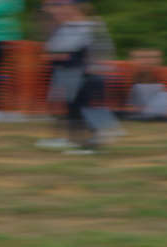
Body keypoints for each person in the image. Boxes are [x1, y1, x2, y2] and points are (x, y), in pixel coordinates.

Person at [40, 0, 113, 154]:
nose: (61, 10)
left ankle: (90, 143)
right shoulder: (68, 26)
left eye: (65, 7)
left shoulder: (90, 26)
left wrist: (96, 66)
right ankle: (77, 141)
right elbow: (54, 49)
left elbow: (98, 49)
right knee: (73, 107)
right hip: (72, 73)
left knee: (84, 107)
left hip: (86, 74)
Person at [123, 49, 167, 121]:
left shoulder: (158, 80)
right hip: (140, 113)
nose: (148, 61)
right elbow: (130, 106)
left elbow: (164, 101)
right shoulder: (134, 82)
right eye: (144, 58)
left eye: (152, 58)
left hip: (152, 112)